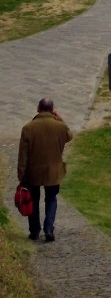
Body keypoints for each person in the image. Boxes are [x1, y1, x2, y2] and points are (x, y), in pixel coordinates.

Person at [17, 98, 73, 242]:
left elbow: (23, 155)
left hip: (33, 172)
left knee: (33, 200)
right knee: (51, 199)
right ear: (52, 110)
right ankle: (48, 228)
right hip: (53, 171)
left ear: (38, 108)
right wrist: (60, 119)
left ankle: (34, 231)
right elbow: (69, 136)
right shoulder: (60, 127)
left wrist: (21, 174)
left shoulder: (28, 128)